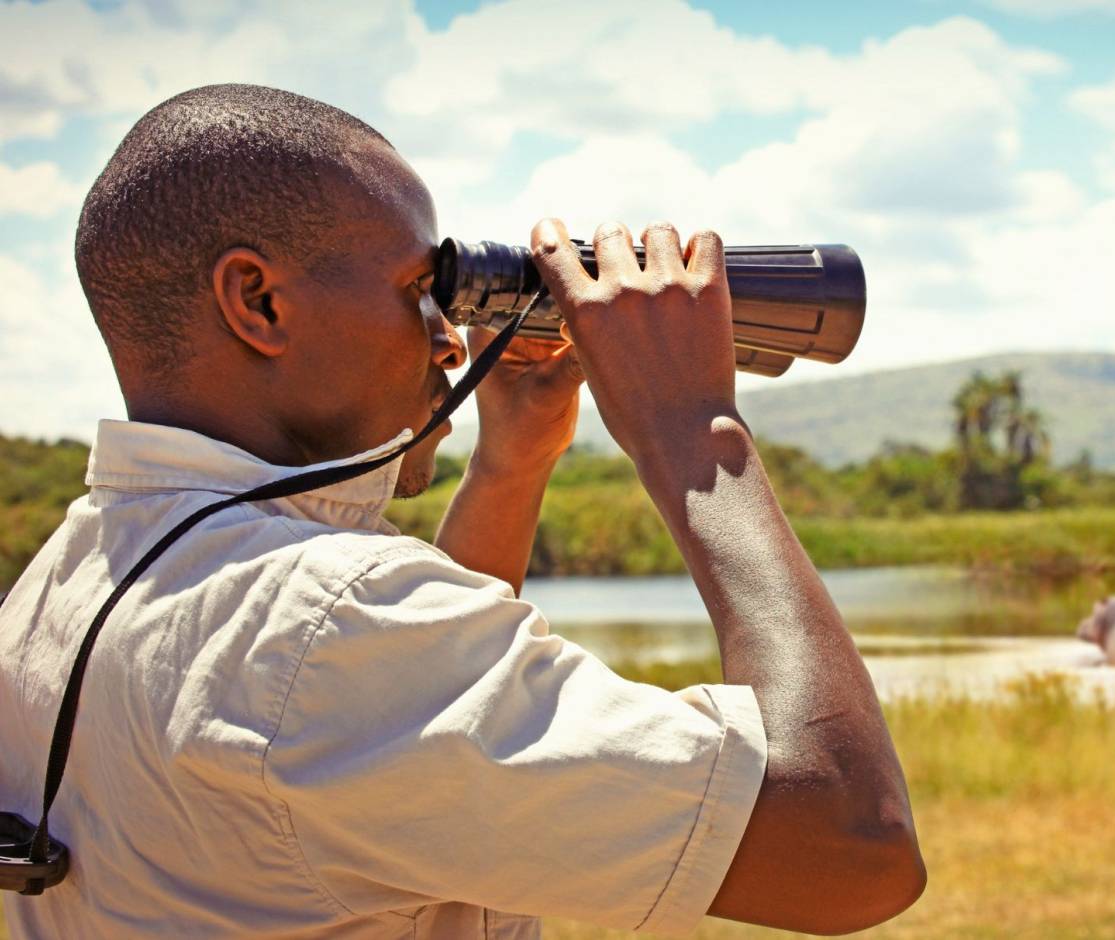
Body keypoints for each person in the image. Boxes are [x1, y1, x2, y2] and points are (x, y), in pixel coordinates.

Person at [0, 84, 924, 937]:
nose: (448, 341)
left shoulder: (71, 576)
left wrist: (511, 465)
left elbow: (407, 755)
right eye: (415, 291)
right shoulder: (323, 627)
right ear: (259, 301)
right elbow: (849, 845)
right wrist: (695, 428)